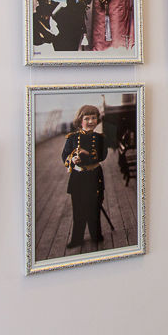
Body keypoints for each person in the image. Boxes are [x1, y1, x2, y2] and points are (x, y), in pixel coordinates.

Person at [61, 105, 107, 248]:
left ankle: (96, 235)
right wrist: (72, 159)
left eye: (93, 118)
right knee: (78, 210)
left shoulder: (100, 138)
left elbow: (103, 155)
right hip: (78, 178)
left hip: (94, 177)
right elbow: (64, 155)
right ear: (80, 120)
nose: (90, 121)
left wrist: (87, 154)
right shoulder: (72, 138)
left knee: (94, 208)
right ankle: (77, 239)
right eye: (87, 118)